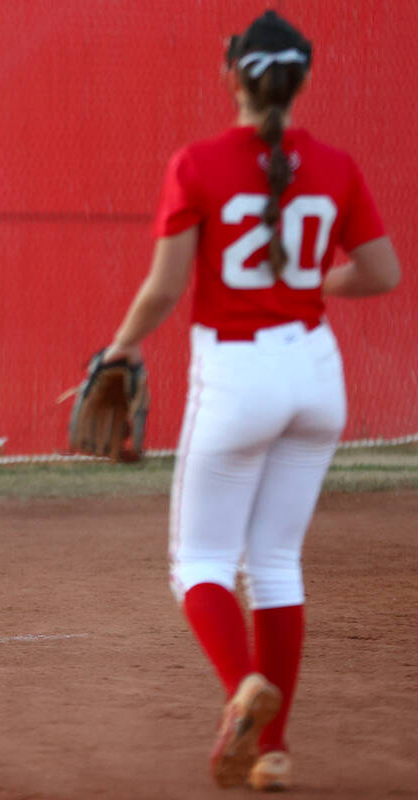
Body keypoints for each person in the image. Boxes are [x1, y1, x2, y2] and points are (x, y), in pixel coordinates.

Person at [100, 12, 400, 791]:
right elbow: (381, 272)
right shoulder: (335, 165)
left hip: (238, 376)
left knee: (199, 562)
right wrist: (311, 284)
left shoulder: (198, 163)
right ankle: (274, 751)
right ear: (302, 79)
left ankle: (243, 689)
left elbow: (166, 287)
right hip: (317, 375)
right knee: (275, 564)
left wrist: (119, 348)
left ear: (232, 74)